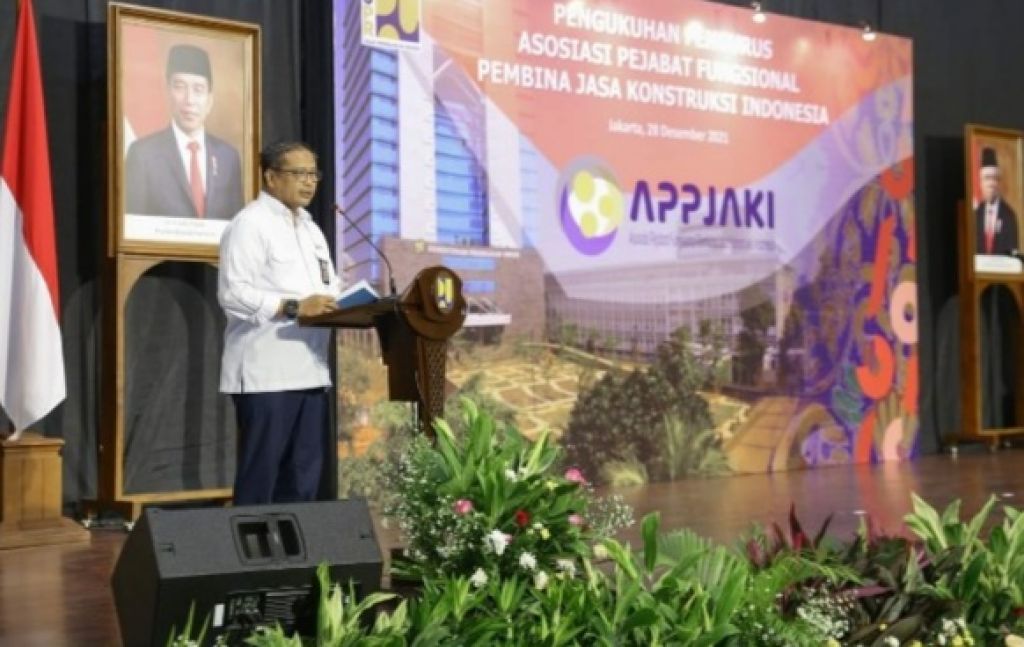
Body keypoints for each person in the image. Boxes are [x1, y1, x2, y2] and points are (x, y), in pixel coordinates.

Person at [218, 141, 341, 505]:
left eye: (313, 174)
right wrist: (294, 308)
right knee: (262, 478)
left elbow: (328, 287)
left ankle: (294, 543)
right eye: (298, 173)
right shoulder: (249, 224)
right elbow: (233, 293)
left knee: (304, 478)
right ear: (271, 177)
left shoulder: (311, 230)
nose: (309, 182)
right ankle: (252, 543)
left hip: (312, 371)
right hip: (266, 374)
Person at [124, 43, 243, 219]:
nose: (189, 100)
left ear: (210, 100)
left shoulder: (228, 157)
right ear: (167, 93)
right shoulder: (142, 154)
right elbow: (132, 224)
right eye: (180, 87)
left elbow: (237, 224)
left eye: (198, 89)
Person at [974, 147, 1019, 255]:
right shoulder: (975, 215)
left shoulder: (1009, 216)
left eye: (994, 178)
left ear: (999, 182)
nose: (991, 184)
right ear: (981, 183)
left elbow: (1013, 253)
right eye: (987, 178)